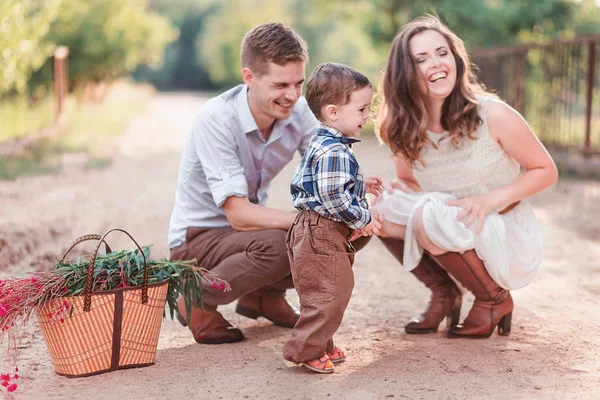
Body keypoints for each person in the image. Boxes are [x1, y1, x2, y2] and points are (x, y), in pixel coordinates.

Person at [373, 15, 558, 339]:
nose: (436, 63)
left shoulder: (492, 114)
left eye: (442, 52)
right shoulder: (401, 128)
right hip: (449, 224)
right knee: (377, 208)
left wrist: (489, 200)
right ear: (404, 72)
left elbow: (546, 171)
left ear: (455, 58)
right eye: (422, 58)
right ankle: (445, 294)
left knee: (432, 215)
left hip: (501, 228)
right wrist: (395, 189)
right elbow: (412, 185)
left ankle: (493, 299)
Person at [167, 22, 317, 344]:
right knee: (281, 243)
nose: (291, 95)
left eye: (298, 83)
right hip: (198, 240)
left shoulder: (298, 110)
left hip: (242, 237)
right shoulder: (217, 119)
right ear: (249, 77)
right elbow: (238, 214)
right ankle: (193, 295)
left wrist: (351, 205)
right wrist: (304, 220)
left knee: (339, 231)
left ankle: (262, 298)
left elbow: (325, 167)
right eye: (280, 85)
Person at [282, 63, 383, 373]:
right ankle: (304, 349)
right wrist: (363, 215)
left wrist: (358, 185)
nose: (367, 116)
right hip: (321, 230)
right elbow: (333, 197)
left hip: (313, 229)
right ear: (333, 112)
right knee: (332, 290)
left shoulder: (323, 143)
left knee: (322, 288)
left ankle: (321, 344)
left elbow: (318, 182)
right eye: (362, 109)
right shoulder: (335, 150)